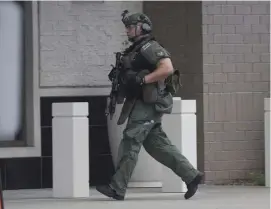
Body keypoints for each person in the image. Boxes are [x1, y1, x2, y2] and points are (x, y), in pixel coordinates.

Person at [96, 10, 203, 201]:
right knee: (156, 145)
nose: (127, 30)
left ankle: (117, 187)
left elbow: (167, 68)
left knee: (131, 139)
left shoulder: (149, 47)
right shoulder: (136, 49)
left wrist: (143, 79)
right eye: (127, 27)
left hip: (149, 102)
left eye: (130, 27)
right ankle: (192, 176)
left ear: (142, 27)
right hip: (142, 101)